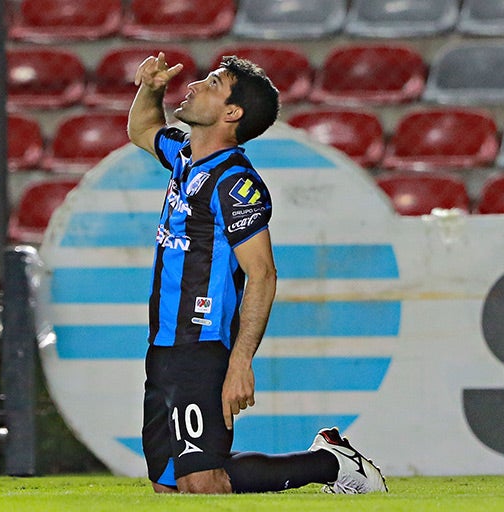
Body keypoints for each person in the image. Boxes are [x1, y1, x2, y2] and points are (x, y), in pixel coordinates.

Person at [127, 51, 388, 495]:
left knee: (202, 482)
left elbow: (262, 273)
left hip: (202, 342)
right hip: (164, 344)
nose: (193, 85)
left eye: (211, 84)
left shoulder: (235, 183)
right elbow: (142, 129)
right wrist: (150, 89)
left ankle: (329, 464)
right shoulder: (184, 156)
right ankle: (329, 457)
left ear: (232, 112)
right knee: (169, 488)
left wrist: (240, 361)